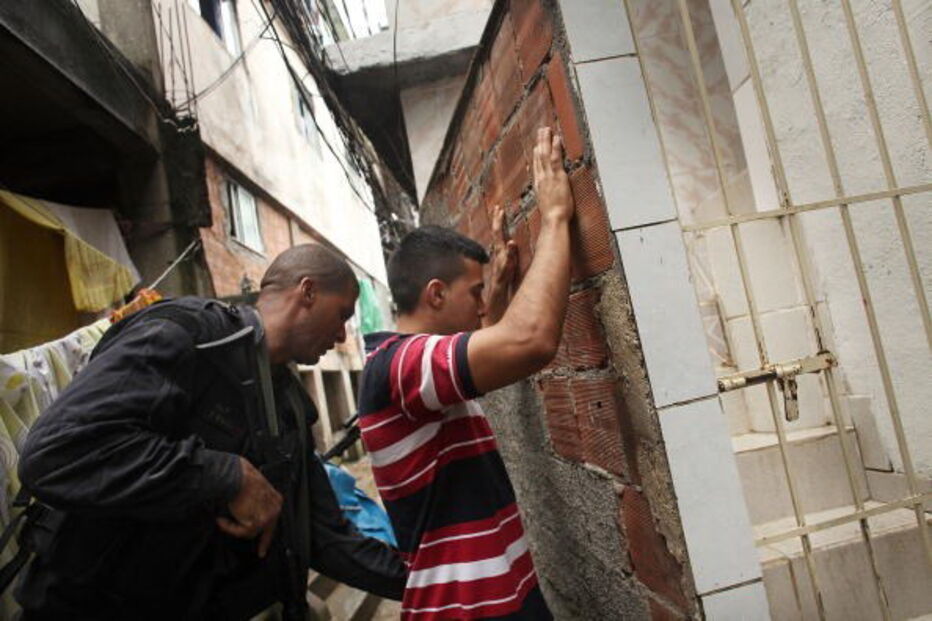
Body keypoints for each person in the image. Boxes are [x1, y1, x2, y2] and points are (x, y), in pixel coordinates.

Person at [13, 244, 407, 619]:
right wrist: (225, 475)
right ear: (307, 292)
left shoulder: (286, 406)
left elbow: (323, 535)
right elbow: (56, 452)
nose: (342, 336)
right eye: (342, 314)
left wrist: (435, 581)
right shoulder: (187, 334)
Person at [356, 127, 574, 619]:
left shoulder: (412, 369)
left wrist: (492, 297)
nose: (480, 308)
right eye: (472, 293)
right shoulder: (399, 366)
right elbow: (531, 341)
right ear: (435, 295)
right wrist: (556, 217)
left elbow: (483, 353)